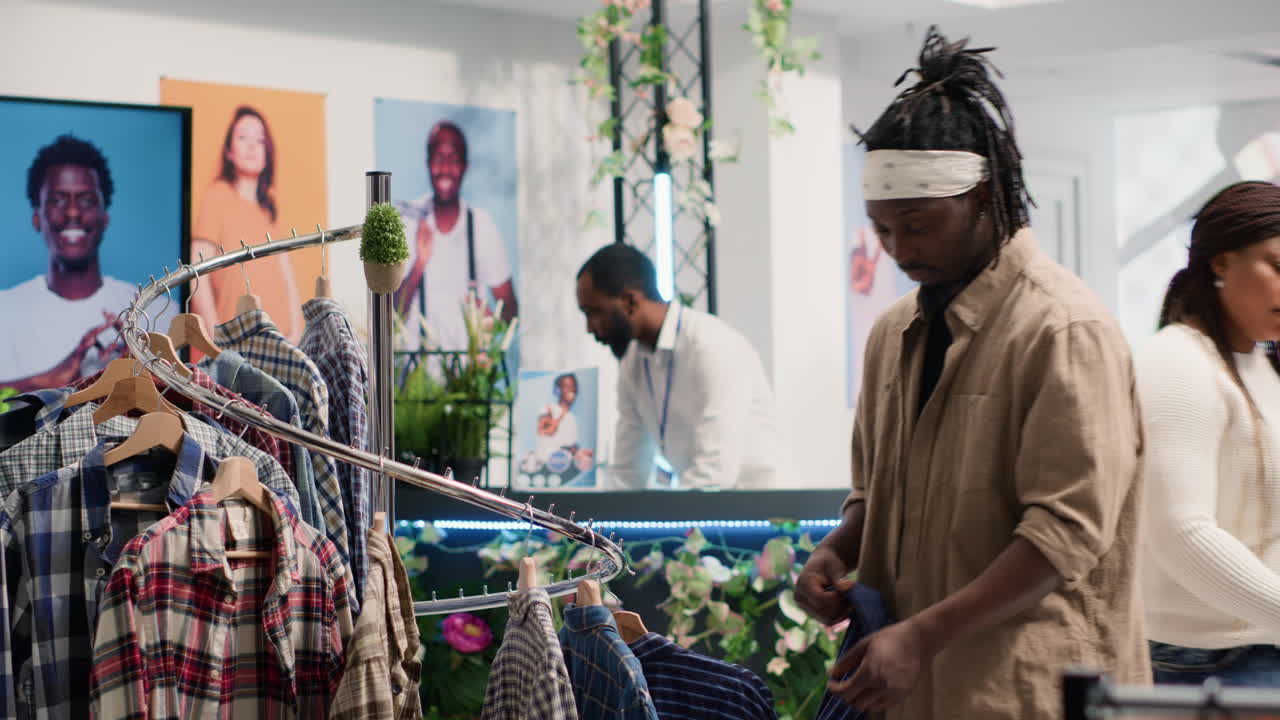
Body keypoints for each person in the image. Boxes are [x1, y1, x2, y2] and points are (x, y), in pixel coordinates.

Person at [794, 28, 1148, 718]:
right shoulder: (894, 333)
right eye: (882, 229)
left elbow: (1064, 534)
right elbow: (877, 491)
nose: (900, 249)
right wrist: (838, 550)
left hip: (1029, 691)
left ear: (984, 197)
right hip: (910, 694)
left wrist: (924, 635)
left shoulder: (1063, 330)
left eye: (920, 225)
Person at [1136, 180, 1280, 687]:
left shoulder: (1261, 364)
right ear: (1221, 263)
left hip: (1259, 646)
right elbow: (1181, 532)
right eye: (1277, 266)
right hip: (1207, 662)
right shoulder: (1177, 361)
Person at [575, 243, 781, 490]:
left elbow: (715, 471)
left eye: (593, 312)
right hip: (708, 509)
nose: (589, 327)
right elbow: (627, 472)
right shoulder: (633, 363)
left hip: (763, 514)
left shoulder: (711, 344)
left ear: (629, 301)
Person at [0, 134, 160, 392]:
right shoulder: (3, 312)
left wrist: (142, 373)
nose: (73, 212)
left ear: (104, 217)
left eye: (86, 200)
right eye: (57, 200)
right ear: (36, 217)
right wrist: (49, 381)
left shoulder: (157, 314)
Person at [394, 121, 518, 352]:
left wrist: (491, 321)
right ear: (428, 164)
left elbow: (510, 311)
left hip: (467, 379)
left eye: (453, 160)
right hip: (416, 380)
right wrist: (419, 264)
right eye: (438, 159)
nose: (445, 169)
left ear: (465, 166)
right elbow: (394, 313)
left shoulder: (481, 226)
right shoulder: (408, 221)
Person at [189, 106, 302, 341]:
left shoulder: (268, 208)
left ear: (267, 152)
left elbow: (287, 279)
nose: (252, 145)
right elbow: (196, 273)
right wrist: (215, 340)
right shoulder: (218, 195)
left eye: (259, 140)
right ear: (229, 151)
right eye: (242, 138)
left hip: (280, 343)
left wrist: (295, 333)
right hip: (238, 345)